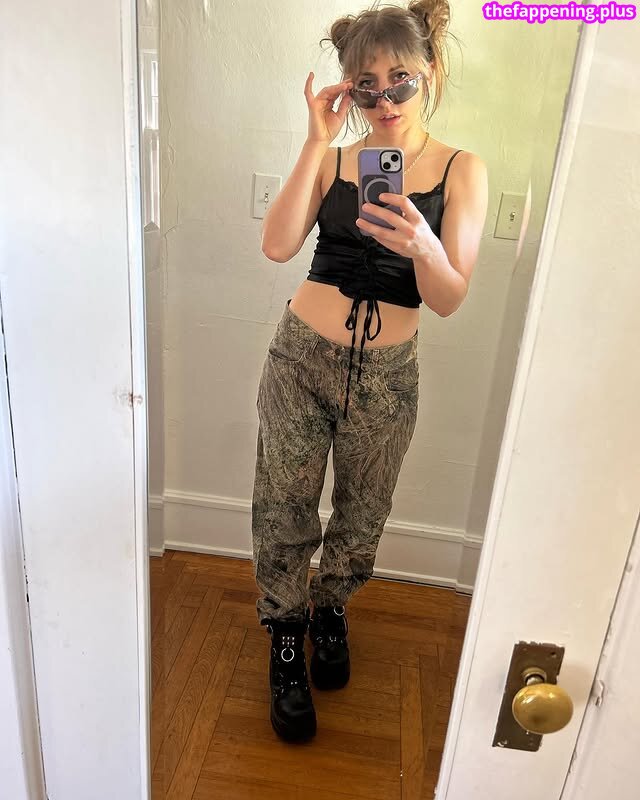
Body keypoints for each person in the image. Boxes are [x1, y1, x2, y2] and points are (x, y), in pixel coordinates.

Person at [251, 0, 488, 742]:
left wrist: (424, 247)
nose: (385, 101)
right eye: (367, 86)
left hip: (387, 373)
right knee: (283, 505)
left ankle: (331, 609)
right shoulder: (333, 158)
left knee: (363, 511)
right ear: (349, 89)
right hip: (300, 358)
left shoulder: (462, 169)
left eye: (400, 81)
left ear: (430, 72)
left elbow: (448, 298)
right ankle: (285, 638)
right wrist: (316, 140)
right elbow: (277, 245)